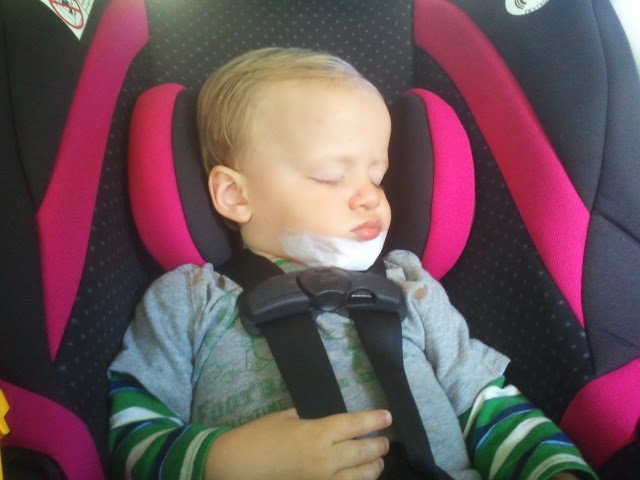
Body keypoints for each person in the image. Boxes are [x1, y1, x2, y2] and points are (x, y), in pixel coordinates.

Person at [108, 47, 597, 480]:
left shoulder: (411, 286)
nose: (370, 197)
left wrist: (553, 469)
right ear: (236, 195)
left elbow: (486, 405)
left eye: (377, 176)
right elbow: (135, 435)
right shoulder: (191, 299)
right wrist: (227, 461)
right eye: (329, 176)